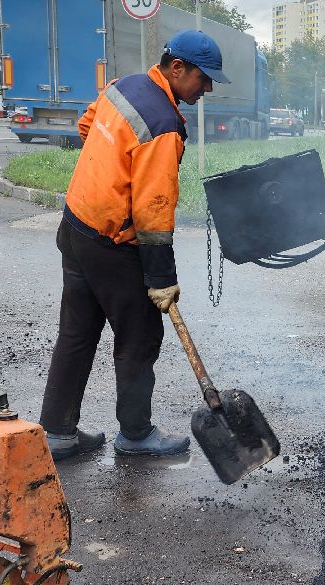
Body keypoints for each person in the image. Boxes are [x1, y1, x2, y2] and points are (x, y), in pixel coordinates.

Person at [39, 30, 230, 461]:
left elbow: (87, 124)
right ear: (177, 68)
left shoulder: (122, 86)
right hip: (111, 244)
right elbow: (153, 210)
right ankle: (137, 435)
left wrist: (107, 176)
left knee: (76, 333)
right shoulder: (162, 125)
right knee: (140, 337)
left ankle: (57, 433)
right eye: (204, 78)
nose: (208, 88)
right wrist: (161, 278)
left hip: (76, 226)